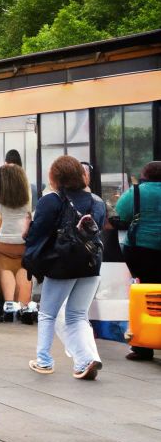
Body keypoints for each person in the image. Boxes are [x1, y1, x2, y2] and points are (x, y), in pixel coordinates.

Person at [26, 155, 106, 379]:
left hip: (61, 264)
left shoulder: (51, 201)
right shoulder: (97, 202)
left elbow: (37, 234)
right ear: (81, 176)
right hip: (91, 264)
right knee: (78, 315)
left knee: (47, 314)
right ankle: (85, 361)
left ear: (55, 177)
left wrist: (34, 261)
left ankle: (44, 361)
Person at [112, 160, 161, 360]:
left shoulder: (136, 192)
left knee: (143, 294)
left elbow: (120, 213)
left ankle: (143, 346)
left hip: (141, 251)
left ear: (144, 175)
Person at [0, 160, 34, 324]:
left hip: (3, 245)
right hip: (23, 244)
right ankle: (24, 308)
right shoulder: (25, 203)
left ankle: (8, 309)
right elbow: (29, 220)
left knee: (5, 271)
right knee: (23, 272)